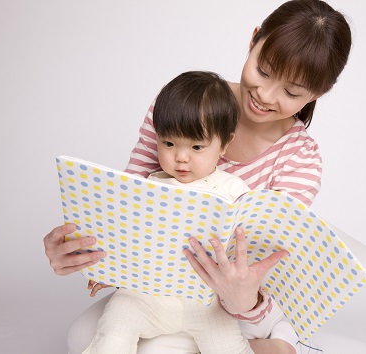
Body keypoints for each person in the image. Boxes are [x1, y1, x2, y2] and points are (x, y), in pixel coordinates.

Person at [44, 1, 352, 353]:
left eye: (292, 92)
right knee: (81, 337)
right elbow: (130, 197)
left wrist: (244, 301)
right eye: (263, 71)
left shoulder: (299, 157)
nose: (265, 96)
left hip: (233, 303)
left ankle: (277, 339)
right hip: (159, 288)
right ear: (253, 40)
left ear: (320, 92)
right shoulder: (185, 102)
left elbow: (267, 268)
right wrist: (81, 249)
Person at [82, 70, 255, 354]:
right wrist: (110, 269)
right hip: (148, 297)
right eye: (169, 143)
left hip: (207, 304)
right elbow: (128, 237)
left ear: (224, 143)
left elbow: (250, 246)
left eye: (197, 146)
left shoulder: (234, 191)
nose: (181, 157)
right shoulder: (149, 186)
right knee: (117, 321)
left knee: (228, 346)